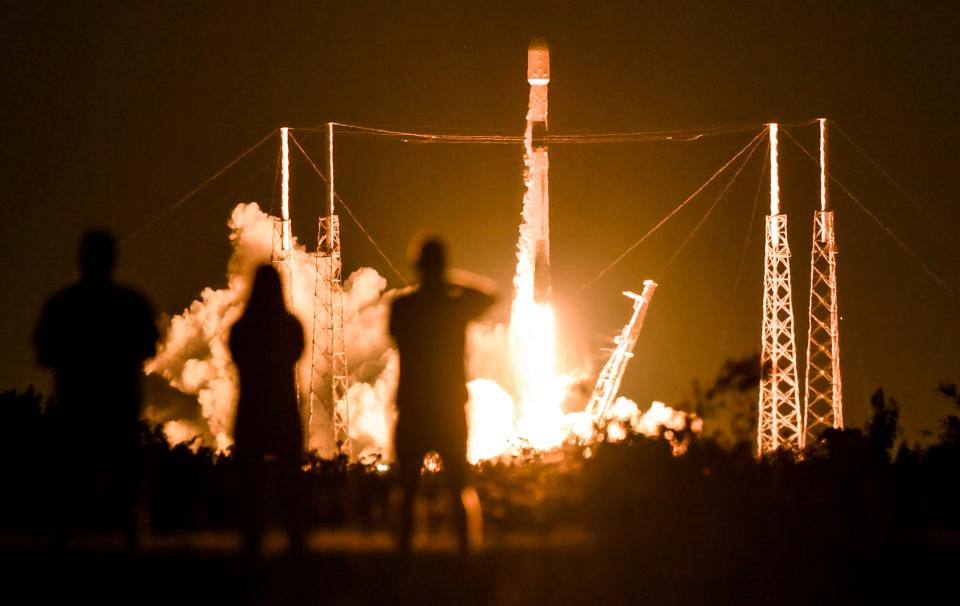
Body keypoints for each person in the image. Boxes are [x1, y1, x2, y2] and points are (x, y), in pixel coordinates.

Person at [35, 229, 159, 549]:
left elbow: (44, 353)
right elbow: (149, 347)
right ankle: (133, 545)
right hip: (119, 409)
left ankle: (61, 542)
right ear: (113, 260)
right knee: (126, 485)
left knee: (69, 484)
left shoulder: (62, 304)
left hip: (75, 409)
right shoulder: (131, 303)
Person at [389, 236, 496, 554]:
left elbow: (396, 334)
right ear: (441, 264)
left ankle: (403, 551)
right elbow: (489, 295)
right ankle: (466, 550)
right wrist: (445, 279)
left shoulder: (403, 306)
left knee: (407, 487)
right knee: (458, 485)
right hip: (448, 405)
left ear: (417, 265)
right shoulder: (454, 306)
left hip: (413, 405)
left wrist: (428, 280)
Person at [229, 264, 306, 557]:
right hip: (283, 410)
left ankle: (251, 541)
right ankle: (296, 542)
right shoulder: (290, 325)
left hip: (251, 410)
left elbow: (238, 357)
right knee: (291, 480)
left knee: (250, 482)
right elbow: (296, 353)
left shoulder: (241, 327)